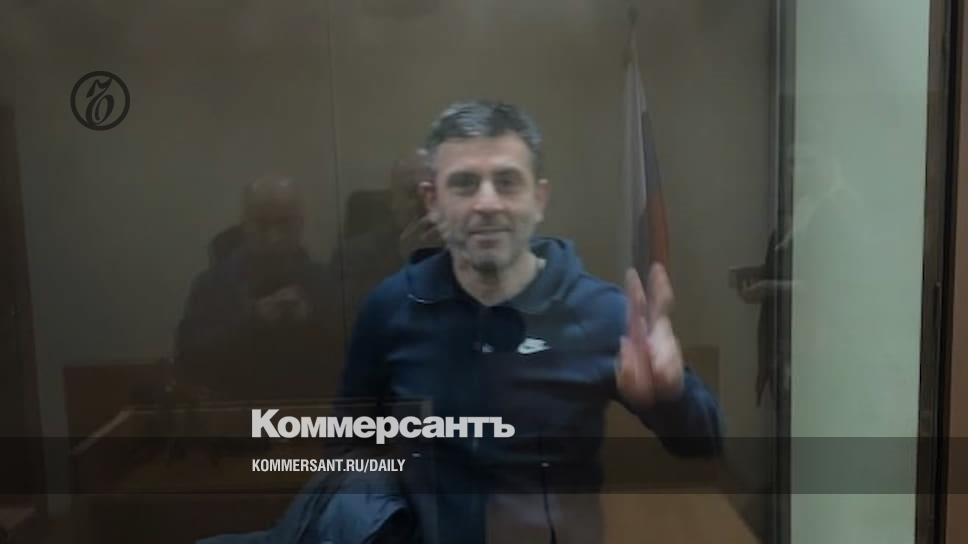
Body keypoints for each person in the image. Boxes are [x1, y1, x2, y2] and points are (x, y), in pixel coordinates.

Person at [339, 100, 723, 543]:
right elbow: (347, 448)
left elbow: (704, 443)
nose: (487, 203)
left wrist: (671, 395)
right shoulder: (390, 308)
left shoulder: (601, 313)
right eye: (464, 184)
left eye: (507, 182)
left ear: (539, 199)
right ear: (433, 201)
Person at [176, 175, 337, 400]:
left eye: (284, 224)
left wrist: (311, 320)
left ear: (300, 225)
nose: (273, 237)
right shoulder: (213, 285)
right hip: (235, 410)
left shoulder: (325, 282)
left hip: (311, 411)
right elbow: (189, 361)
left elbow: (355, 360)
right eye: (262, 225)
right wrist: (253, 320)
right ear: (244, 225)